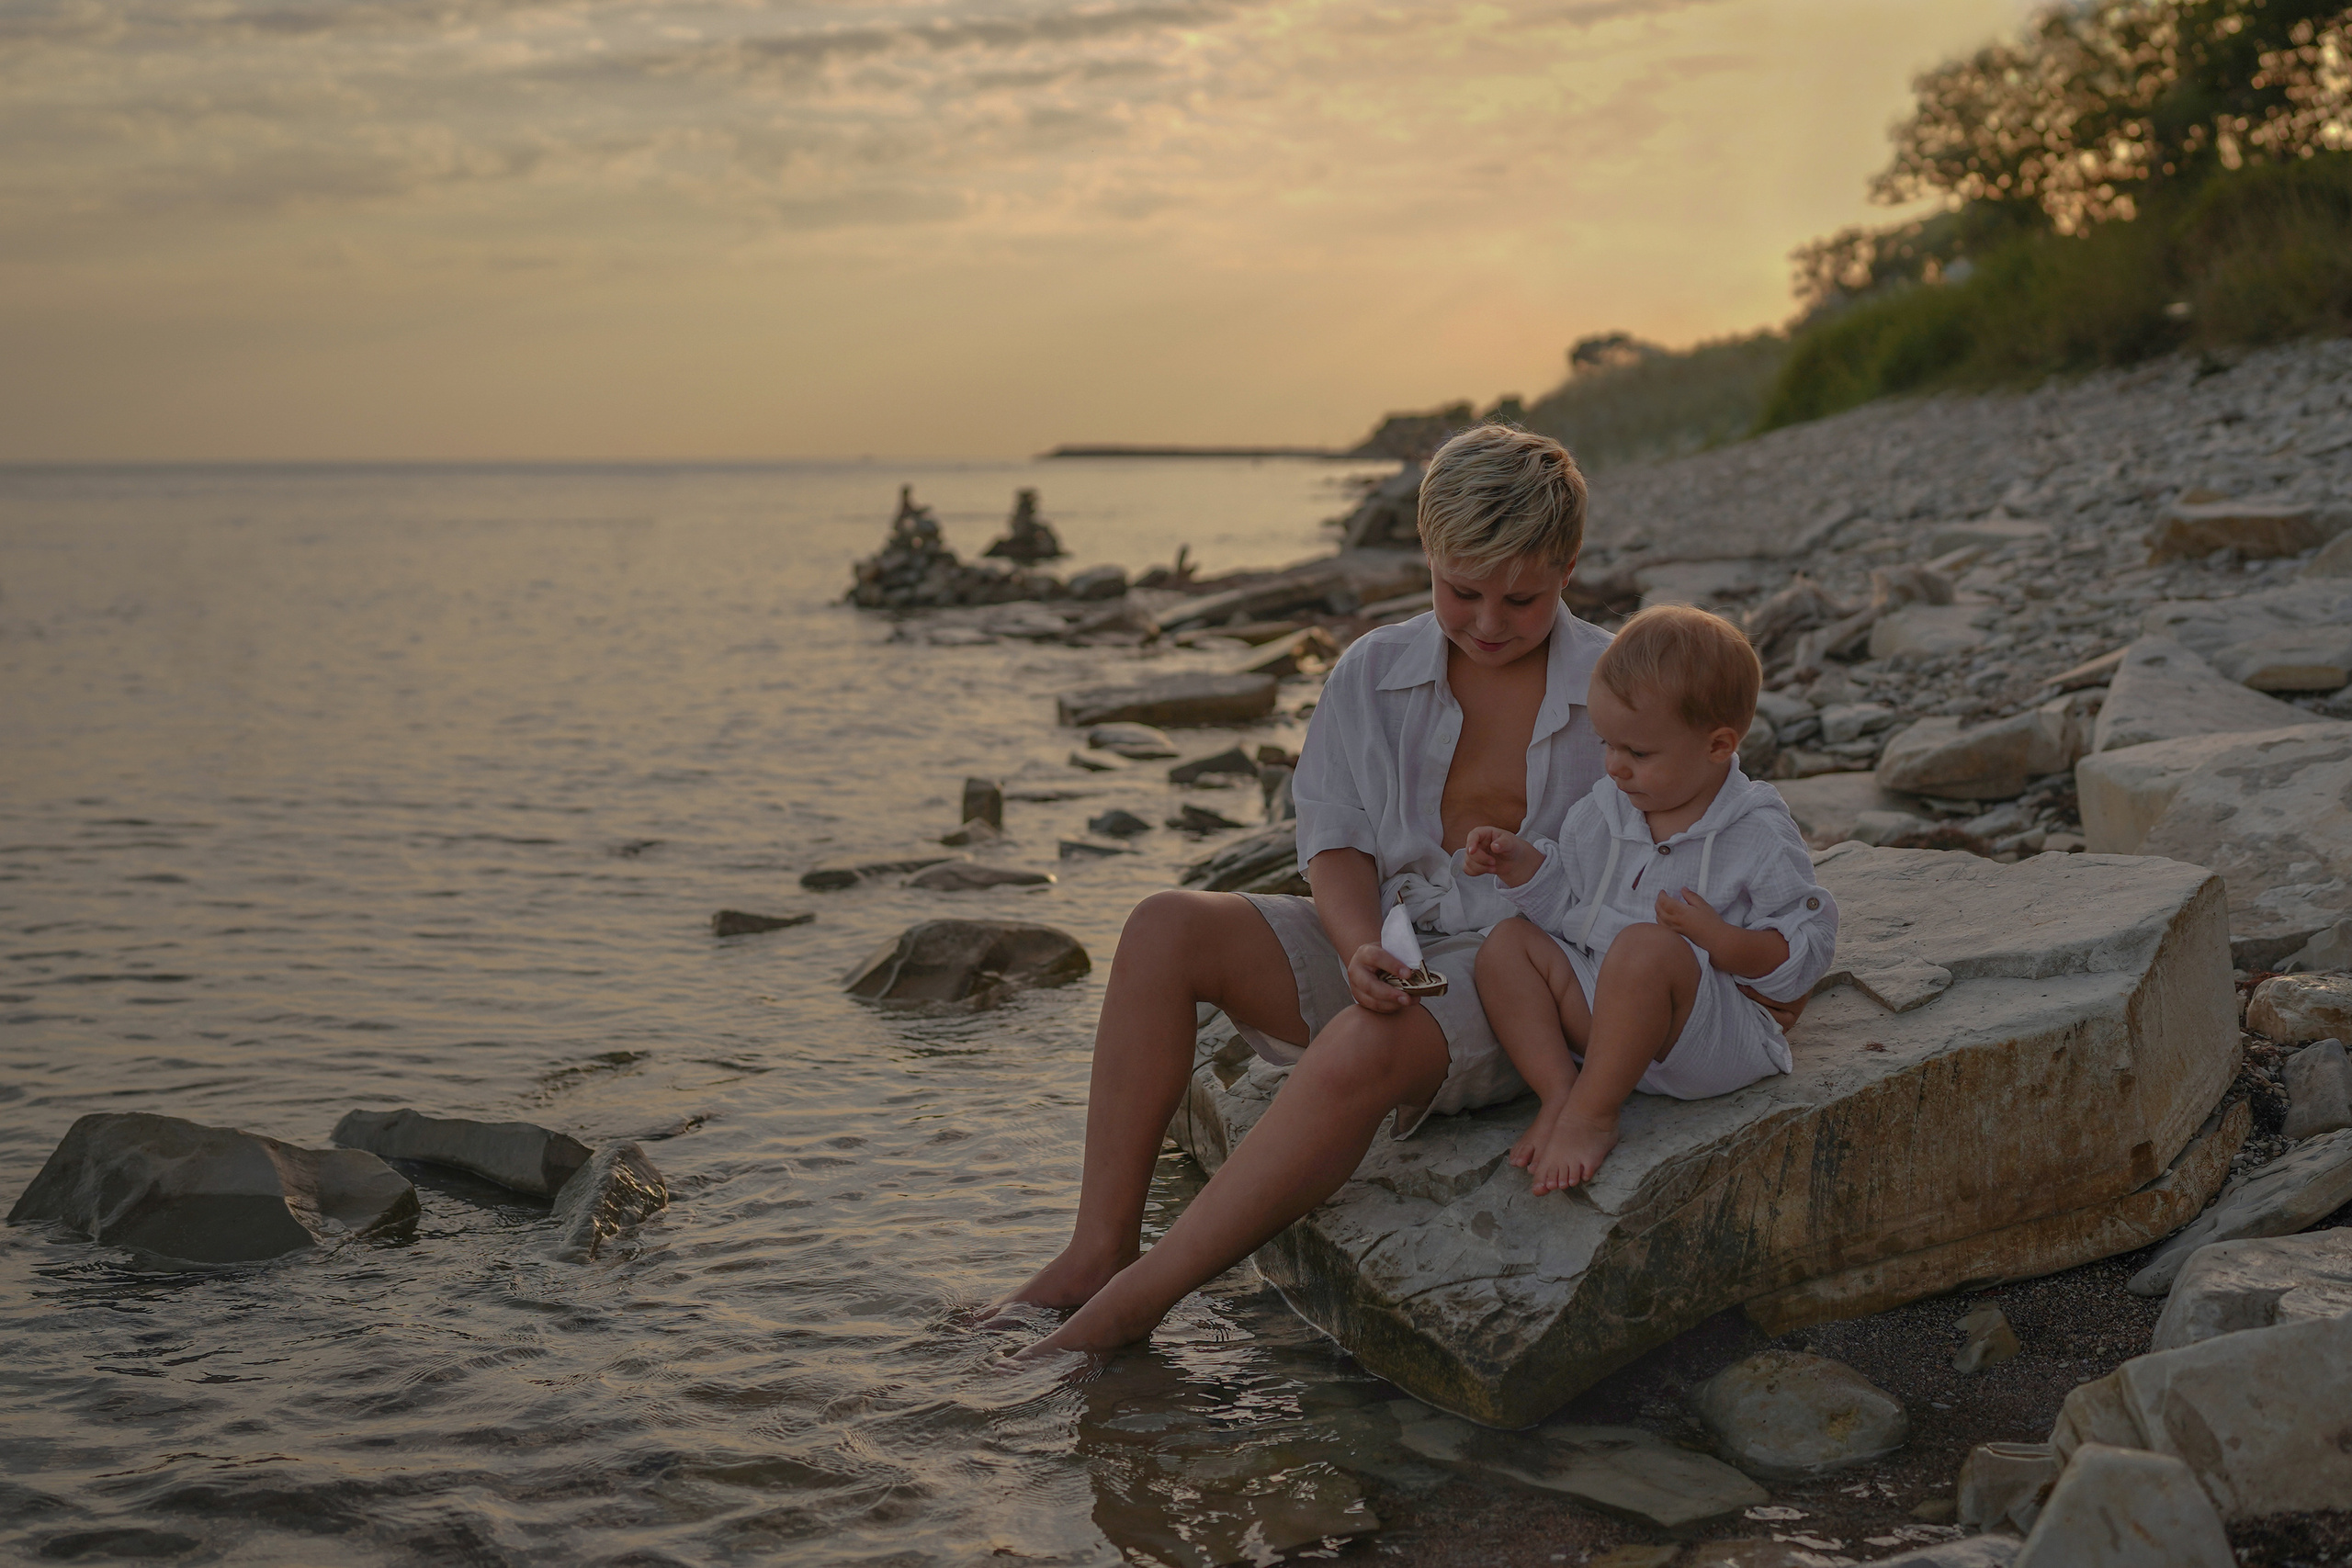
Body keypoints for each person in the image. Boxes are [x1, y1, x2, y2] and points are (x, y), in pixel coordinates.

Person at [995, 426, 1805, 1358]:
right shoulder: (1372, 671)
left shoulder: (1623, 687)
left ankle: (1132, 1308)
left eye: (1521, 598)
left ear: (1568, 566)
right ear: (1427, 555)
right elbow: (1335, 840)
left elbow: (1720, 827)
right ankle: (1096, 1249)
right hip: (1394, 937)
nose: (1489, 622)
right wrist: (1354, 947)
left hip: (1532, 980)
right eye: (1462, 591)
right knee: (1163, 924)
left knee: (1359, 1043)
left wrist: (1750, 968)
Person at [1464, 604, 1839, 1195]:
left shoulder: (1757, 833)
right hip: (1607, 1025)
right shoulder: (1601, 813)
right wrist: (1524, 867)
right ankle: (1562, 1094)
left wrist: (1719, 939)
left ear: (1718, 746)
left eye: (1637, 753)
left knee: (1646, 949)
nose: (1615, 767)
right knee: (1506, 944)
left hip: (1705, 1036)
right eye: (1607, 743)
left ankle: (1593, 1115)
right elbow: (1571, 911)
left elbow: (1805, 950)